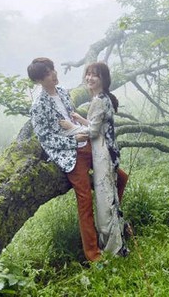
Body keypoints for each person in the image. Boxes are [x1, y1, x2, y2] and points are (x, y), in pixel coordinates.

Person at [27, 57, 128, 262]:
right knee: (85, 200)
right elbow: (45, 139)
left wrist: (80, 129)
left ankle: (112, 222)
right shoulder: (38, 105)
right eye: (48, 73)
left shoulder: (62, 92)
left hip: (88, 143)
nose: (54, 74)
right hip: (70, 153)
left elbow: (74, 119)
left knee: (121, 178)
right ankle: (93, 254)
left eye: (53, 69)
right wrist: (74, 141)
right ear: (39, 80)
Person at [60, 62, 128, 257]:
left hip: (103, 155)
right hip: (107, 153)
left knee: (106, 202)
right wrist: (80, 119)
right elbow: (98, 124)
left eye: (94, 75)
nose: (89, 78)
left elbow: (93, 132)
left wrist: (69, 127)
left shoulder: (99, 100)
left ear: (103, 79)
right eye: (87, 74)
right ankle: (115, 243)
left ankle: (114, 249)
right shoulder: (103, 98)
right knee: (110, 198)